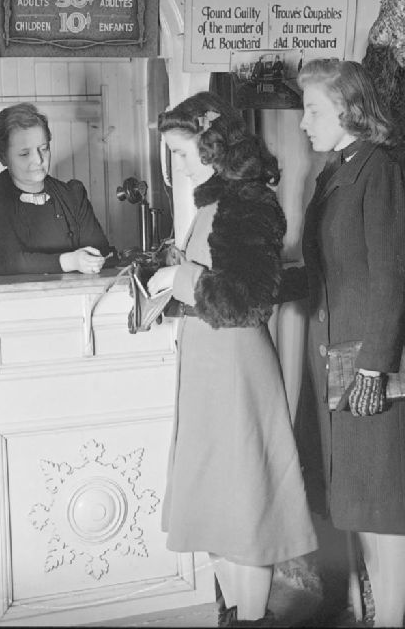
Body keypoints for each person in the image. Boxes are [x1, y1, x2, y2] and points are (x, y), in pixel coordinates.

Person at [147, 92, 317, 627]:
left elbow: (246, 301)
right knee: (214, 508)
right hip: (209, 368)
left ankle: (251, 618)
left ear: (212, 143)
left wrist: (179, 278)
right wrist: (175, 274)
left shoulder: (248, 202)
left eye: (181, 153)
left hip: (237, 370)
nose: (178, 166)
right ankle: (238, 615)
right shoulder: (213, 204)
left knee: (246, 510)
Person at [290, 58, 405, 627]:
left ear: (348, 109)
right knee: (363, 503)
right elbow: (324, 271)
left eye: (313, 110)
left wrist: (375, 368)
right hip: (339, 356)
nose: (304, 122)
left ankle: (390, 621)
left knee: (390, 505)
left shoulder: (381, 170)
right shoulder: (337, 171)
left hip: (374, 360)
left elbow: (393, 279)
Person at [0, 102, 110, 276]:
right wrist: (70, 261)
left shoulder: (72, 195)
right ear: (2, 155)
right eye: (25, 154)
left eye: (44, 149)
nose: (38, 160)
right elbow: (3, 261)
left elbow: (99, 251)